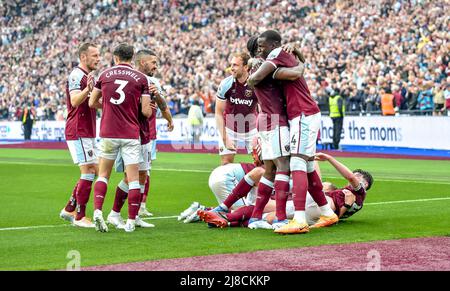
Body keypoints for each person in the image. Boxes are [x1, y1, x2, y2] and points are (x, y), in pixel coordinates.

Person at [247, 30, 337, 234]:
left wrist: (295, 62)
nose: (261, 49)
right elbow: (296, 70)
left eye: (263, 45)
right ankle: (326, 212)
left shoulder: (276, 54)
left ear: (273, 44)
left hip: (302, 114)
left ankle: (299, 219)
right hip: (299, 114)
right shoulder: (280, 55)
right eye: (258, 46)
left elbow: (295, 73)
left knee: (295, 163)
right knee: (307, 165)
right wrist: (299, 57)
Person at [243, 35, 308, 231]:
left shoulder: (257, 66)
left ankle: (255, 217)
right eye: (261, 46)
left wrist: (295, 49)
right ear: (258, 50)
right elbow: (295, 74)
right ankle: (280, 217)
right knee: (284, 166)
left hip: (264, 120)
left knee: (270, 170)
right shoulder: (266, 66)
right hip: (275, 120)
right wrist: (301, 65)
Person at [88, 43, 153, 233]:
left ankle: (98, 211)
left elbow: (92, 102)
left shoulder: (104, 75)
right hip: (130, 133)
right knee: (133, 179)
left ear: (116, 57)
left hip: (108, 132)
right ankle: (131, 221)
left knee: (103, 175)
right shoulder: (141, 79)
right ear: (132, 57)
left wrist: (108, 107)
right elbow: (146, 111)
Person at [106, 49, 174, 229]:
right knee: (131, 176)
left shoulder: (153, 82)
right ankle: (114, 213)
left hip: (147, 134)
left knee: (143, 174)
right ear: (142, 63)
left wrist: (168, 118)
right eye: (153, 62)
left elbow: (161, 104)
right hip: (131, 134)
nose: (156, 66)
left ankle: (134, 214)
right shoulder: (132, 79)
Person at [59, 42, 100, 228]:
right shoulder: (77, 75)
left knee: (95, 171)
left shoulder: (87, 76)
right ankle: (79, 216)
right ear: (83, 57)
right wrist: (88, 89)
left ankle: (69, 209)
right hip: (78, 129)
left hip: (88, 129)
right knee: (89, 171)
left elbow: (92, 102)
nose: (98, 59)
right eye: (95, 56)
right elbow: (75, 101)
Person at [215, 52, 258, 165]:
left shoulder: (256, 84)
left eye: (235, 65)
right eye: (231, 65)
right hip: (230, 128)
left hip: (252, 129)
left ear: (245, 67)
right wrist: (225, 139)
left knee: (261, 164)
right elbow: (218, 113)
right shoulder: (226, 84)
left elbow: (264, 109)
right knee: (226, 164)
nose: (231, 68)